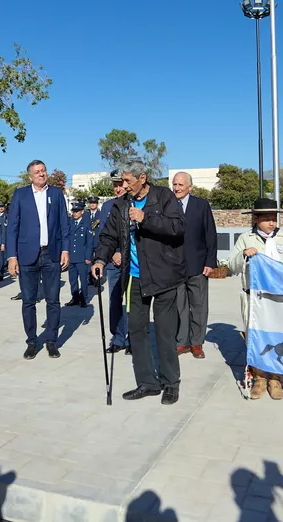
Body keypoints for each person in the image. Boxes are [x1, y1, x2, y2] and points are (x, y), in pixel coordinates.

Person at [93, 161, 186, 405]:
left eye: (127, 181)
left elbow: (177, 228)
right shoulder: (121, 205)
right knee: (137, 330)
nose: (123, 186)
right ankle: (147, 383)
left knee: (165, 332)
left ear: (142, 178)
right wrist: (100, 259)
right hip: (135, 276)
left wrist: (146, 219)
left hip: (164, 276)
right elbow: (109, 235)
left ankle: (170, 383)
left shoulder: (163, 197)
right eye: (121, 181)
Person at [227, 197, 283, 400]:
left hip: (278, 298)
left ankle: (275, 378)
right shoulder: (245, 238)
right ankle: (259, 377)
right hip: (254, 298)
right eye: (266, 218)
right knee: (255, 335)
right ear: (255, 218)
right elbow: (231, 266)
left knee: (277, 336)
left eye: (274, 218)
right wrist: (243, 254)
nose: (271, 222)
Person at [7, 159, 71, 360]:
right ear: (30, 176)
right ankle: (32, 341)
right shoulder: (20, 195)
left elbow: (64, 225)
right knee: (28, 301)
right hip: (27, 256)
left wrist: (66, 250)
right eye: (37, 172)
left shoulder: (56, 194)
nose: (41, 174)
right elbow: (12, 228)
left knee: (53, 300)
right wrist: (12, 256)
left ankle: (52, 340)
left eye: (43, 171)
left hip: (51, 254)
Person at [171, 172, 217, 359]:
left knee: (198, 306)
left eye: (181, 184)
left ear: (190, 187)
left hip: (198, 265)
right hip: (175, 267)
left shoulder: (201, 205)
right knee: (179, 306)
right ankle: (182, 342)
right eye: (175, 184)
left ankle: (197, 342)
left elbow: (210, 234)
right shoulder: (168, 205)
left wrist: (210, 262)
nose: (177, 188)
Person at [96, 171, 131, 354]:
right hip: (113, 263)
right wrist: (112, 254)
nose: (118, 188)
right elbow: (105, 234)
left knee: (133, 302)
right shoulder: (107, 206)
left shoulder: (133, 203)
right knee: (115, 301)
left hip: (131, 261)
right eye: (115, 185)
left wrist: (121, 253)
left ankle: (134, 338)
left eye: (120, 184)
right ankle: (118, 338)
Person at [65, 202, 92, 307]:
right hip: (72, 257)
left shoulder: (86, 223)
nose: (74, 213)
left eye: (77, 211)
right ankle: (75, 297)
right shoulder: (69, 223)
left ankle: (84, 298)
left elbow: (89, 242)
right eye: (73, 211)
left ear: (82, 212)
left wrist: (88, 257)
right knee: (72, 280)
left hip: (82, 257)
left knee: (83, 280)